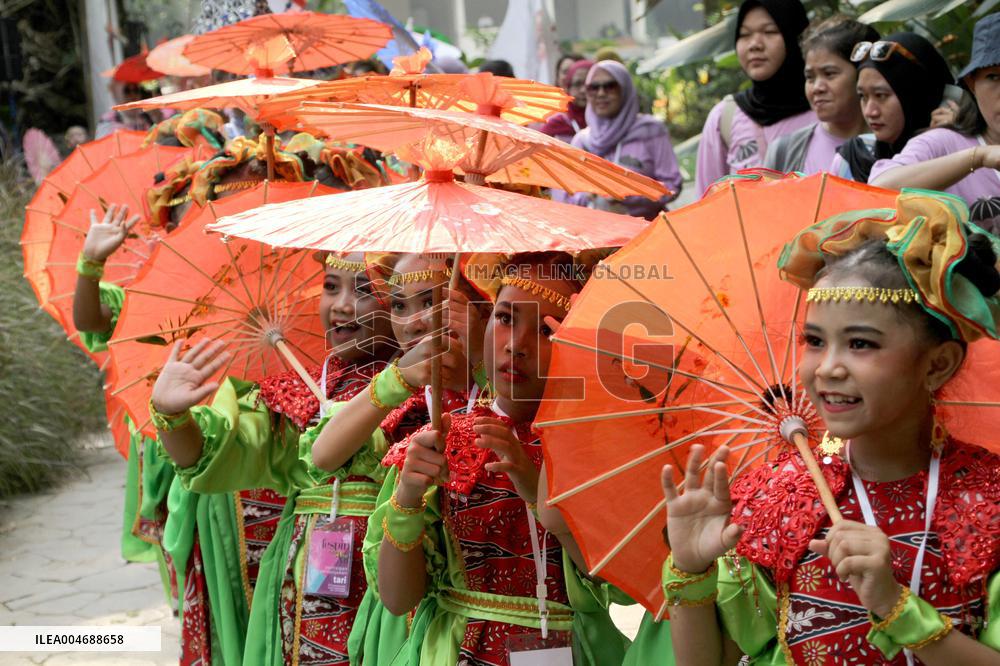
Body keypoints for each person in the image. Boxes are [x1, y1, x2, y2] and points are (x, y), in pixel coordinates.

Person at [662, 190, 1000, 664]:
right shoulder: (777, 496)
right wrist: (690, 569)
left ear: (938, 364)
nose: (827, 368)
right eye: (815, 341)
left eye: (860, 344)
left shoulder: (989, 498)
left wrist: (896, 607)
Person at [367, 252, 630, 665]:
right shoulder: (441, 441)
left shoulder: (597, 452)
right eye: (505, 318)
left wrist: (536, 491)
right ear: (485, 322)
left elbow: (619, 589)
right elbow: (398, 599)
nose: (516, 345)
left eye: (545, 330)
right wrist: (408, 498)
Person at [869, 13, 1000, 232]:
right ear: (972, 84)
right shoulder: (942, 144)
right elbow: (878, 190)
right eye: (994, 77)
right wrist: (978, 157)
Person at [696, 0, 816, 194]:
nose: (754, 45)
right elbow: (706, 201)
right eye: (745, 35)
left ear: (794, 36)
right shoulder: (724, 118)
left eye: (769, 32)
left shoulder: (825, 110)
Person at [553, 60, 682, 219]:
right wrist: (588, 196)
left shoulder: (650, 131)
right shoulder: (582, 141)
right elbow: (565, 196)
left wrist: (630, 194)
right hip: (599, 231)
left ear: (625, 90)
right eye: (593, 87)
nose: (601, 93)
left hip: (649, 229)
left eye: (610, 86)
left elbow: (672, 185)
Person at [834, 33, 954, 183]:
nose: (870, 112)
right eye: (863, 96)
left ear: (916, 95)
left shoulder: (965, 156)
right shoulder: (851, 160)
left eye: (881, 95)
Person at [764, 17, 877, 174]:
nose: (817, 88)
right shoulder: (783, 152)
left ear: (862, 75)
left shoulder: (897, 149)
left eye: (829, 74)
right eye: (810, 77)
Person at [539, 59, 593, 143]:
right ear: (568, 88)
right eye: (577, 84)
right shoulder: (556, 123)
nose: (583, 90)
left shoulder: (609, 121)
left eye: (588, 85)